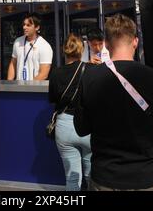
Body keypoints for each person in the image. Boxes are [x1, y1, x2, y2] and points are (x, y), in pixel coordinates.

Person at [74, 13, 153, 191]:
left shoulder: (89, 78)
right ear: (135, 41)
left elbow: (81, 128)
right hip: (149, 178)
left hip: (105, 178)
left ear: (107, 45)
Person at [48, 34, 91, 191]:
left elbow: (52, 99)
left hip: (64, 126)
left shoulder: (56, 73)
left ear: (63, 50)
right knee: (91, 176)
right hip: (87, 126)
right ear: (82, 50)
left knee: (72, 179)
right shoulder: (91, 70)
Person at [7, 13, 53, 81]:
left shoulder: (44, 46)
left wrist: (30, 88)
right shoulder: (18, 41)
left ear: (37, 27)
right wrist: (9, 83)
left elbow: (44, 74)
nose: (24, 27)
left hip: (35, 89)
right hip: (18, 88)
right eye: (24, 24)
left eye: (28, 25)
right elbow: (13, 63)